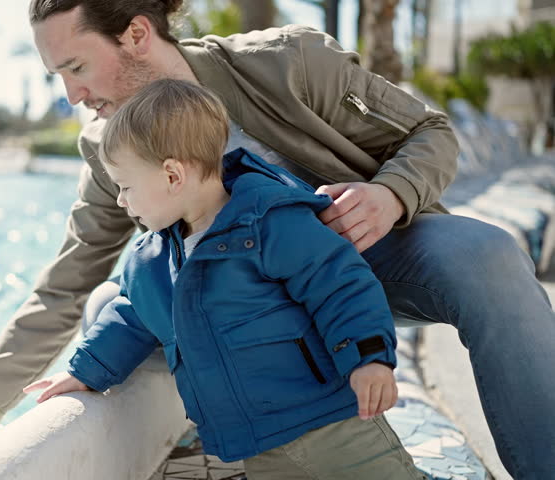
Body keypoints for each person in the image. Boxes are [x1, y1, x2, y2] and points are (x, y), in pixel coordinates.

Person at [0, 1, 555, 478]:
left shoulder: (290, 62)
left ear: (136, 34)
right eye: (56, 77)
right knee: (110, 309)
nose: (71, 96)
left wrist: (390, 195)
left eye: (75, 66)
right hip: (249, 316)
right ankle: (196, 448)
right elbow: (68, 279)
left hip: (360, 265)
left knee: (489, 255)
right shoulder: (107, 147)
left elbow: (432, 132)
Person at [23, 78, 425, 479]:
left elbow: (340, 286)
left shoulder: (270, 222)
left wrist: (369, 358)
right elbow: (129, 318)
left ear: (172, 176)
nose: (120, 200)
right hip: (259, 444)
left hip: (335, 424)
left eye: (126, 186)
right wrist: (82, 372)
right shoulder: (151, 263)